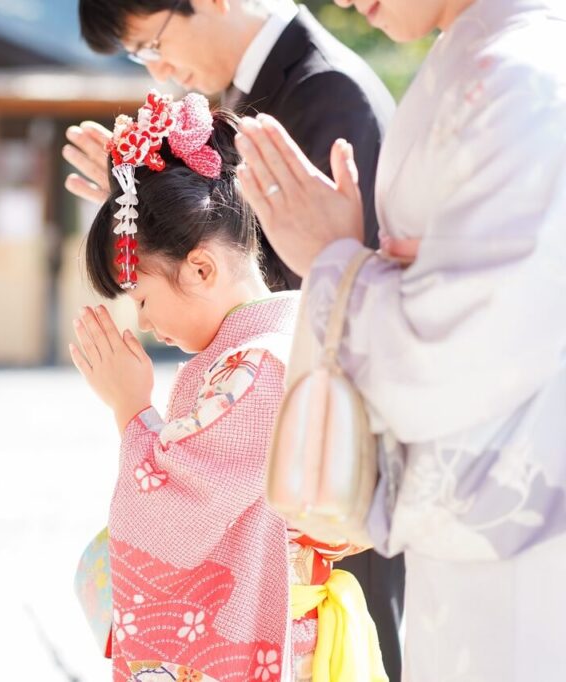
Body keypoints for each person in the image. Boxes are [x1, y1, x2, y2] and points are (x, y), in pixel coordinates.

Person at [64, 1, 405, 676]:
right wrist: (147, 205)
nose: (145, 323)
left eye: (142, 299)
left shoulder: (259, 367)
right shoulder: (270, 339)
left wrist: (132, 410)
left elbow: (169, 515)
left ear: (200, 268)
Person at [232, 0, 566, 678]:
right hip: (472, 533)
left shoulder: (525, 73)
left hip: (521, 531)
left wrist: (335, 263)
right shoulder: (480, 54)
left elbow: (468, 348)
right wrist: (346, 260)